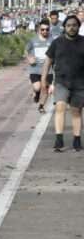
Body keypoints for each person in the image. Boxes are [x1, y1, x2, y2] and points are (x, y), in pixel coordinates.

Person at [40, 15, 84, 152]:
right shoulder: (57, 42)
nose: (72, 28)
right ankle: (59, 139)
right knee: (60, 107)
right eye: (69, 25)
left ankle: (77, 139)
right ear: (64, 27)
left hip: (80, 83)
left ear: (78, 27)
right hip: (61, 82)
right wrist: (43, 79)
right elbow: (48, 61)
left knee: (76, 111)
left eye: (74, 25)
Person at [26, 20, 55, 113]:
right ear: (39, 29)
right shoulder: (33, 40)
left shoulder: (52, 41)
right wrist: (29, 57)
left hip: (48, 70)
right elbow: (26, 50)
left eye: (47, 29)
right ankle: (37, 93)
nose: (45, 31)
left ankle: (41, 106)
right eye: (42, 29)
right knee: (37, 87)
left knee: (46, 88)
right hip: (35, 68)